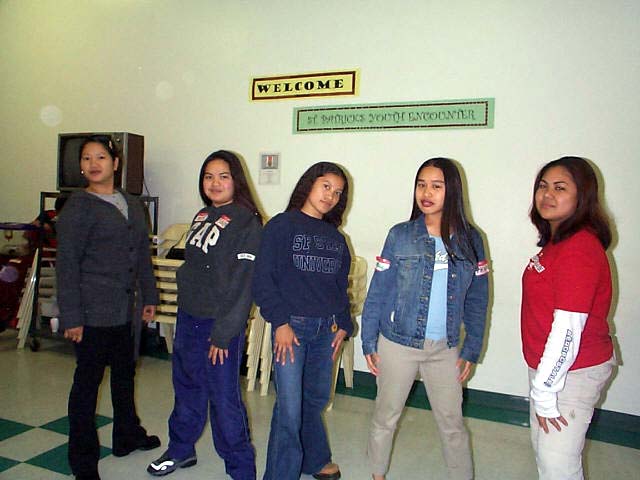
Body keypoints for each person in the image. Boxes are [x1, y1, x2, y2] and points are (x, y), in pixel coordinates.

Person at [361, 157, 489, 480]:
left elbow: (478, 299)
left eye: (436, 186)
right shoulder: (400, 235)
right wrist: (368, 340)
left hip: (445, 348)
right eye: (421, 185)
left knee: (452, 424)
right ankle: (377, 475)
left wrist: (471, 348)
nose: (426, 193)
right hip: (398, 343)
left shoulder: (472, 240)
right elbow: (378, 290)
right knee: (385, 417)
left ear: (452, 190)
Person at [147, 150, 262, 480]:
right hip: (189, 318)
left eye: (223, 176)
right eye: (208, 176)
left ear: (236, 181)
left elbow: (243, 285)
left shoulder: (247, 222)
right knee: (186, 387)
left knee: (224, 398)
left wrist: (224, 334)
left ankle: (241, 467)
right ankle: (181, 449)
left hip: (220, 324)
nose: (215, 183)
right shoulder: (202, 215)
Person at [56, 135, 161, 480]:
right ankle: (83, 460)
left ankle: (127, 435)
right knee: (87, 386)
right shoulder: (77, 208)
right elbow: (67, 266)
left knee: (124, 376)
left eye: (101, 157)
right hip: (91, 313)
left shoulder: (132, 204)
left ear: (116, 163)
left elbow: (142, 254)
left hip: (126, 310)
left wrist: (149, 296)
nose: (93, 164)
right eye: (86, 158)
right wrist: (71, 317)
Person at [253, 162, 352, 480]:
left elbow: (339, 288)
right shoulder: (281, 226)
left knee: (315, 400)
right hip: (291, 329)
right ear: (309, 184)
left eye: (338, 192)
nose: (331, 196)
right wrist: (280, 323)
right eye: (326, 186)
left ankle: (315, 460)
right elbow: (263, 280)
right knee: (290, 407)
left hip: (327, 330)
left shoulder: (337, 239)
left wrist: (344, 324)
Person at [521, 156, 616, 480]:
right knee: (546, 456)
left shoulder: (579, 248)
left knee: (557, 466)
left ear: (582, 196)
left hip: (572, 371)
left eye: (560, 188)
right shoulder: (557, 243)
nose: (547, 194)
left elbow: (567, 330)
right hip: (551, 369)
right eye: (543, 186)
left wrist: (545, 392)